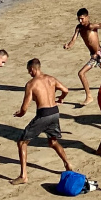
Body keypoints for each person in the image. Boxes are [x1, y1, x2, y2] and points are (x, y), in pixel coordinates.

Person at [10, 58, 72, 186]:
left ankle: (23, 176)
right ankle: (68, 164)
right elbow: (66, 90)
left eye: (29, 71)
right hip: (55, 112)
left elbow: (24, 108)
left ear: (33, 69)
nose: (29, 73)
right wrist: (60, 98)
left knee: (22, 142)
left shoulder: (31, 84)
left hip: (43, 114)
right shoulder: (51, 79)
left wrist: (20, 114)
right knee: (53, 141)